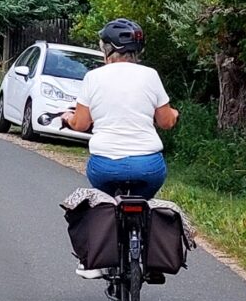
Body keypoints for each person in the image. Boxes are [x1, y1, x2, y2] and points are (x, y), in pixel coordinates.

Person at [60, 18, 179, 197]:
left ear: (107, 50)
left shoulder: (93, 77)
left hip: (105, 166)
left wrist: (68, 117)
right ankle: (145, 219)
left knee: (103, 204)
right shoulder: (150, 75)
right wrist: (174, 113)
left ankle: (105, 218)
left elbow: (81, 124)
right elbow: (166, 122)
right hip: (147, 167)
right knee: (145, 204)